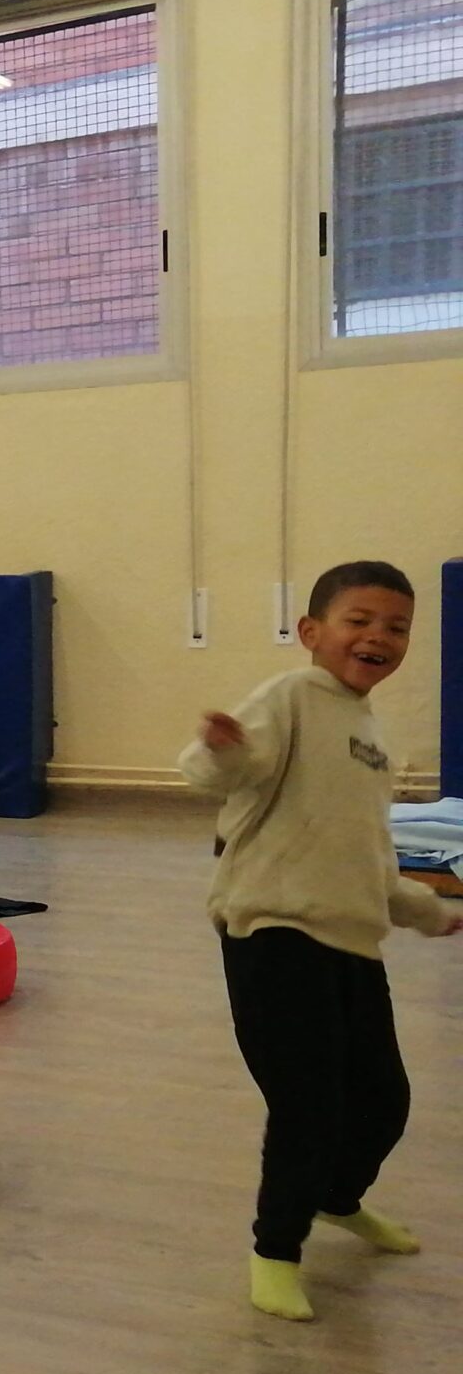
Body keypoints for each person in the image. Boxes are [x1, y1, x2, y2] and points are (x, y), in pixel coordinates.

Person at [178, 560, 463, 1321]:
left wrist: (427, 910)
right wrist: (220, 747)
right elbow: (223, 770)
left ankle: (339, 1198)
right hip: (274, 930)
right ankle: (275, 1251)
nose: (378, 637)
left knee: (384, 1100)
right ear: (311, 631)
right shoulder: (293, 695)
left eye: (396, 627)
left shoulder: (370, 734)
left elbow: (364, 854)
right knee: (308, 1104)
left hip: (350, 940)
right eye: (358, 620)